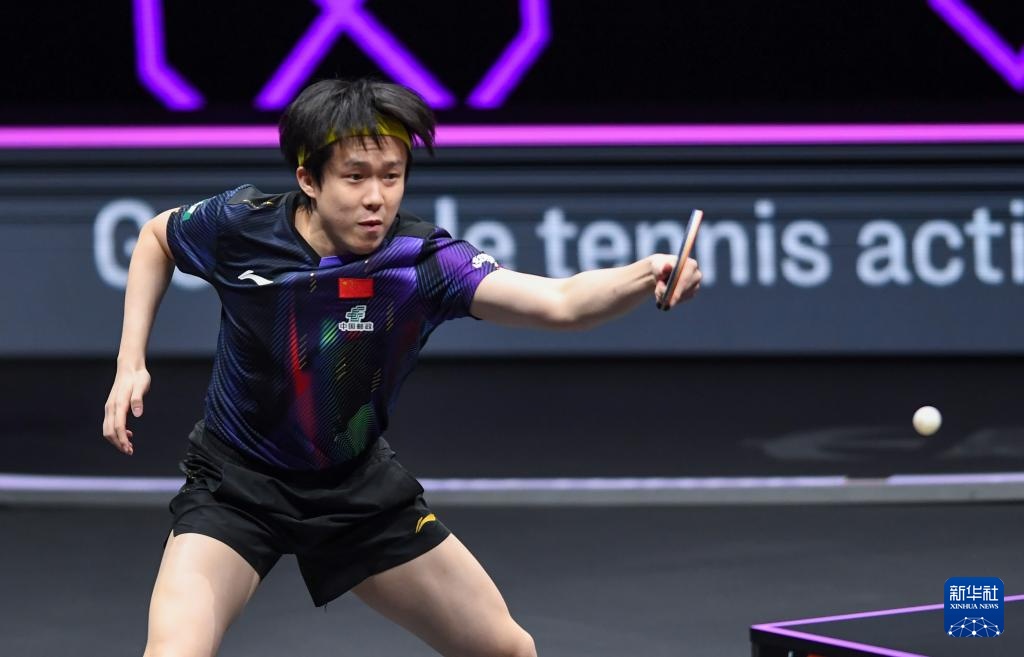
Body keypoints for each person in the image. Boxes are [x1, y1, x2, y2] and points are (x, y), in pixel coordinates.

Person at [101, 77, 701, 657]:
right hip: (237, 484)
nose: (376, 198)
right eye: (355, 176)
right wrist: (130, 363)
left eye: (391, 176)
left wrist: (644, 273)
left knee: (506, 649)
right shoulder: (242, 224)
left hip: (355, 489)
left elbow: (560, 303)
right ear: (308, 179)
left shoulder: (420, 261)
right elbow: (157, 238)